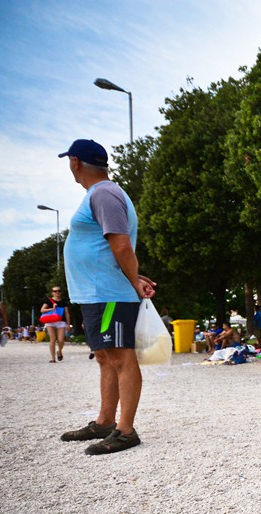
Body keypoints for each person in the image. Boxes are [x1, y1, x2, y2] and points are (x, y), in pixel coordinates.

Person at [55, 139, 155, 455]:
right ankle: (104, 421)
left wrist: (132, 282)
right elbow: (111, 249)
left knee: (121, 357)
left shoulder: (104, 193)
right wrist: (134, 276)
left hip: (108, 293)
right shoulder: (99, 195)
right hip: (99, 292)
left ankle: (125, 431)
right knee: (105, 356)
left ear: (75, 162)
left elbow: (122, 245)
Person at [41, 285, 72, 362]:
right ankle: (52, 358)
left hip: (60, 322)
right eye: (55, 291)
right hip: (50, 321)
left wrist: (68, 324)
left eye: (59, 291)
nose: (57, 292)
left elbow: (67, 313)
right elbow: (42, 310)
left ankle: (59, 351)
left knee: (61, 340)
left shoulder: (63, 302)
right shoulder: (48, 301)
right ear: (52, 293)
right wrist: (52, 308)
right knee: (53, 339)